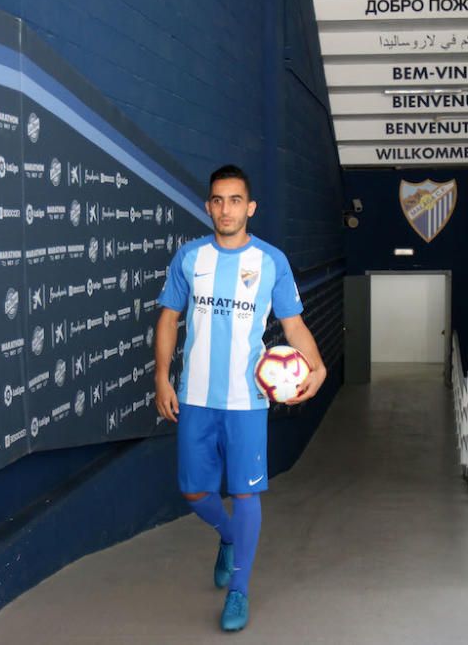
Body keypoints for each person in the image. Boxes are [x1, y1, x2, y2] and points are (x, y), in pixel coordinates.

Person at [154, 164, 327, 631]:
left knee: (247, 492)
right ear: (208, 205)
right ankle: (228, 537)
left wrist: (319, 366)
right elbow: (169, 319)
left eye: (235, 201)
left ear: (249, 208)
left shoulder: (271, 261)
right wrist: (162, 378)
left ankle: (239, 590)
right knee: (193, 491)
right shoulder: (189, 258)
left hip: (248, 399)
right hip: (195, 396)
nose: (225, 209)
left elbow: (293, 326)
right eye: (217, 200)